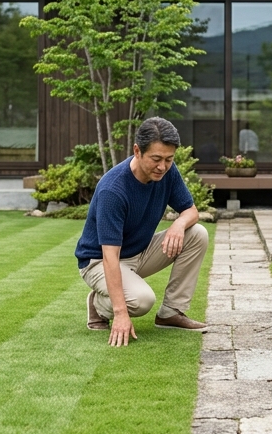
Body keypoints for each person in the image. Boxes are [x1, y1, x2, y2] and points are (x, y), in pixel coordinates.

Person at [76, 117, 210, 347]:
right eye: (156, 159)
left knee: (197, 234)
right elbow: (109, 256)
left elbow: (191, 211)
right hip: (98, 261)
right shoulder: (113, 190)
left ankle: (171, 312)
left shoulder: (167, 172)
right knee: (141, 301)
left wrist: (179, 224)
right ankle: (99, 306)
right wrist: (120, 313)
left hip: (140, 251)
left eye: (169, 159)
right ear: (137, 151)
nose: (162, 166)